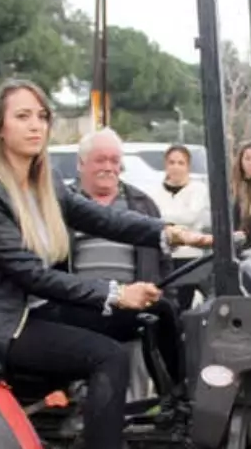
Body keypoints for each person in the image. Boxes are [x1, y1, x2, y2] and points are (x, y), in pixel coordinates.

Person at [0, 78, 211, 449]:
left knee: (159, 312)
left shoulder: (45, 183)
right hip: (12, 328)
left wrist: (171, 233)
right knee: (106, 355)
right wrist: (114, 292)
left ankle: (182, 418)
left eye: (41, 116)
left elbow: (103, 217)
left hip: (46, 312)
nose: (36, 126)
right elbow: (31, 275)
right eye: (22, 116)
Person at [70, 127, 182, 391]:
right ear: (81, 164)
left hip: (132, 308)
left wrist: (170, 302)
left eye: (114, 160)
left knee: (135, 388)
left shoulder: (142, 205)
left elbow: (164, 264)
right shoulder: (63, 203)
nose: (109, 167)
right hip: (79, 309)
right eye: (100, 160)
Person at [154, 142, 211, 310]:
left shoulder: (198, 189)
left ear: (188, 166)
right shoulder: (155, 191)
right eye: (172, 162)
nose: (176, 167)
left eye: (181, 163)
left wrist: (165, 218)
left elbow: (191, 216)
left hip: (189, 256)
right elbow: (152, 217)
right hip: (165, 257)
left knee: (184, 303)